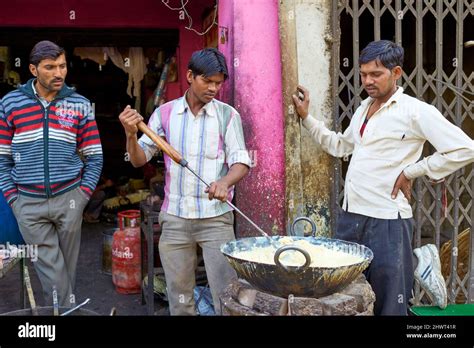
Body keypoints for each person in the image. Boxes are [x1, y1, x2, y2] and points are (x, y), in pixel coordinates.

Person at [292, 40, 474, 315]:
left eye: (375, 74)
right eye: (363, 74)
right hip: (351, 217)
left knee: (390, 305)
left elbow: (465, 148)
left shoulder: (414, 111)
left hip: (388, 221)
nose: (367, 81)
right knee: (349, 299)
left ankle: (415, 261)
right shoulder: (364, 109)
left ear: (396, 72)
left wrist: (412, 171)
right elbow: (341, 146)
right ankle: (419, 260)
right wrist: (308, 119)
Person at [119, 48, 251, 315]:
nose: (214, 88)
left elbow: (241, 162)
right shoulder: (164, 114)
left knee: (227, 295)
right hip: (175, 219)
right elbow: (138, 159)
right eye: (207, 81)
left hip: (216, 219)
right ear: (190, 76)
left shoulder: (228, 116)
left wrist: (225, 182)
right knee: (179, 298)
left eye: (218, 82)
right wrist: (131, 134)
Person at [0, 41, 103, 306]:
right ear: (33, 69)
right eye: (50, 67)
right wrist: (15, 200)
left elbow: (94, 156)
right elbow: (2, 158)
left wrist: (82, 196)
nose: (59, 73)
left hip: (69, 199)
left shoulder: (79, 104)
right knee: (54, 274)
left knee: (65, 271)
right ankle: (66, 314)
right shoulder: (10, 104)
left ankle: (56, 317)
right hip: (28, 203)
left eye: (62, 66)